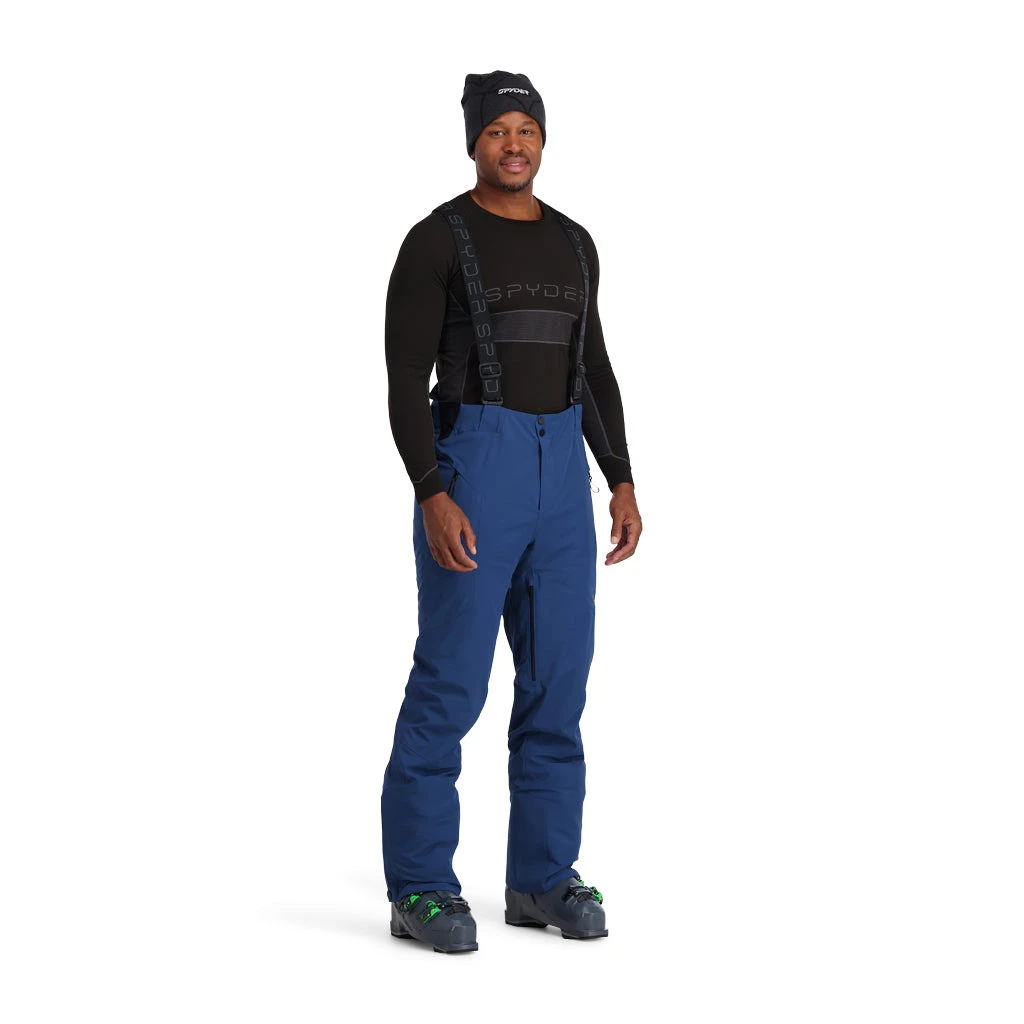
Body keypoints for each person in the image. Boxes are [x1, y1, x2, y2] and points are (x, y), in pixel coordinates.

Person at [380, 70, 642, 954]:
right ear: (474, 142)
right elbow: (403, 383)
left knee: (558, 685)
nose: (514, 143)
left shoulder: (574, 243)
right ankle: (420, 886)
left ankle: (541, 877)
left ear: (543, 139)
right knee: (450, 684)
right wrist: (432, 490)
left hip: (563, 478)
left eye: (526, 128)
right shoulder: (435, 241)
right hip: (475, 468)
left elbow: (592, 368)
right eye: (498, 130)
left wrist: (620, 478)